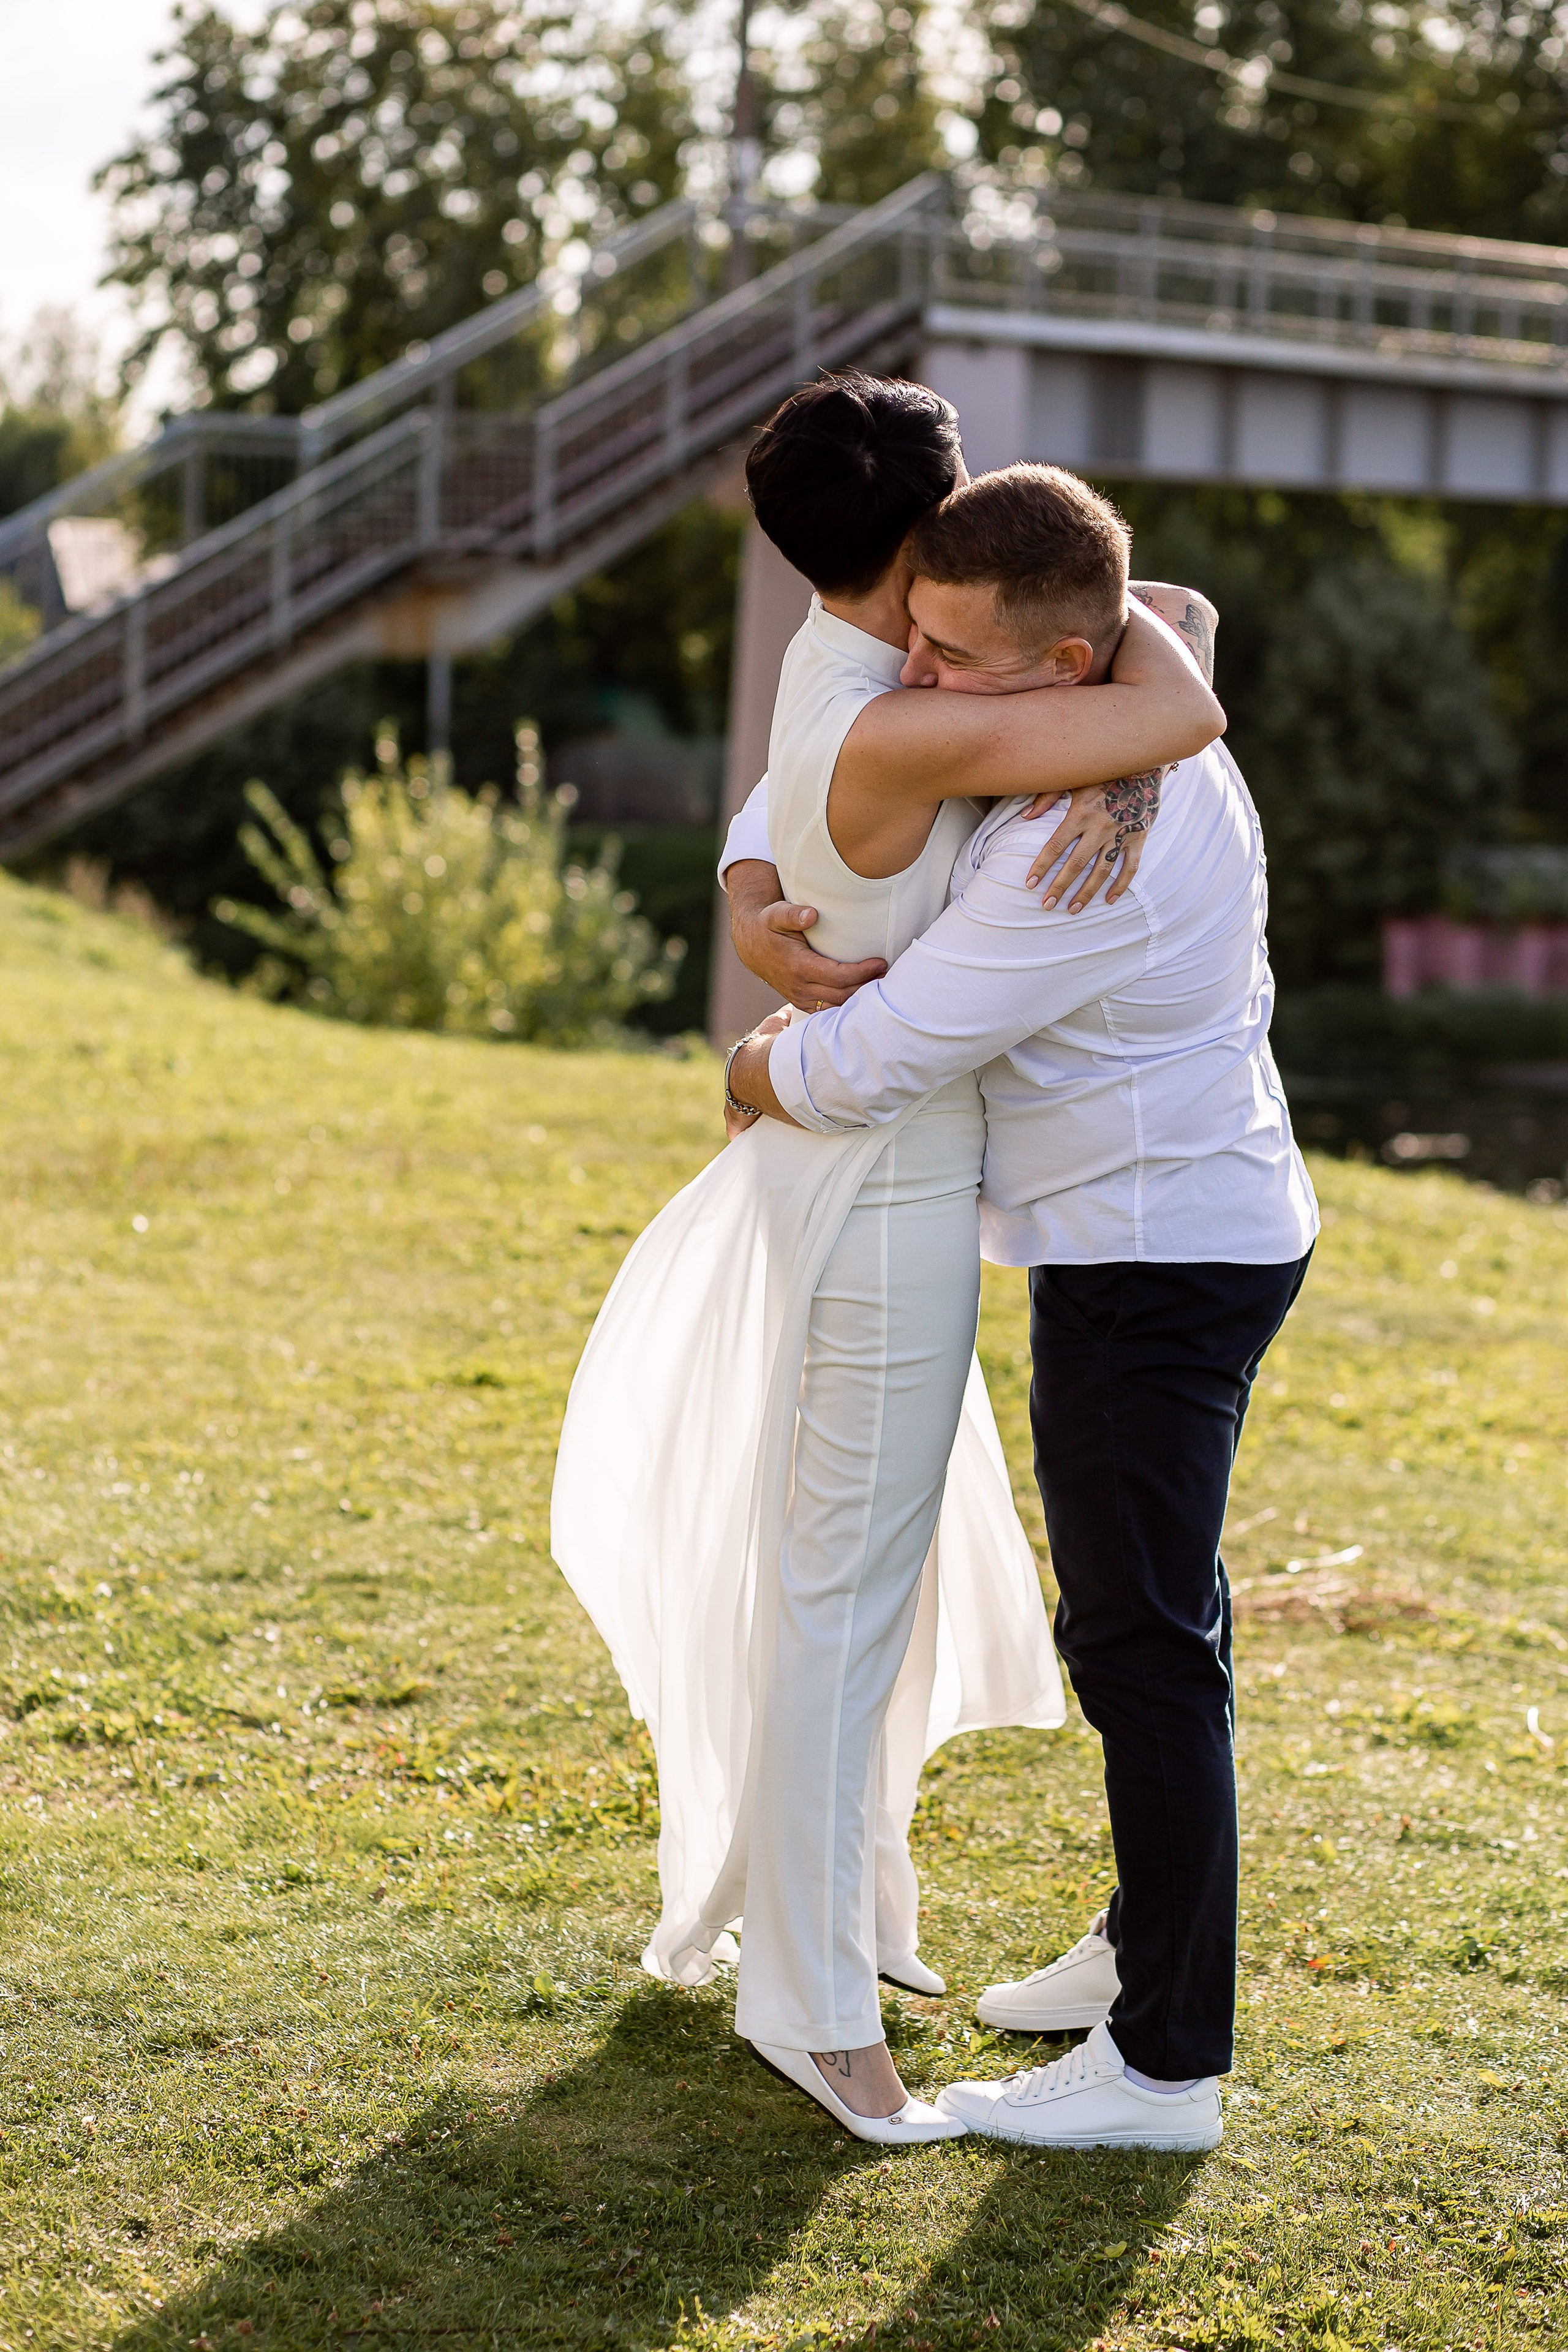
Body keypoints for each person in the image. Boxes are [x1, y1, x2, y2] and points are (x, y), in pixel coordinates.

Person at [551, 377, 1222, 2146]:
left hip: (876, 1181)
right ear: (936, 523)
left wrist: (750, 877)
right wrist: (1142, 756)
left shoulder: (840, 667)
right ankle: (815, 2008)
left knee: (866, 1579)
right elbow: (1182, 678)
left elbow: (1151, 646)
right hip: (881, 1190)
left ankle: (842, 1919)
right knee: (844, 1594)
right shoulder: (925, 720)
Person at [723, 460, 1318, 2154]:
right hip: (1179, 1225)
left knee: (1139, 1643)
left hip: (1157, 1258)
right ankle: (1145, 1941)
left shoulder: (1081, 843)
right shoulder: (1091, 709)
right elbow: (860, 764)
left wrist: (756, 1068)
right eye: (913, 640)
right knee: (1164, 1619)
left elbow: (896, 1050)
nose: (920, 683)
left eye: (954, 661)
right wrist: (755, 884)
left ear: (1072, 676)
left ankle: (1164, 2069)